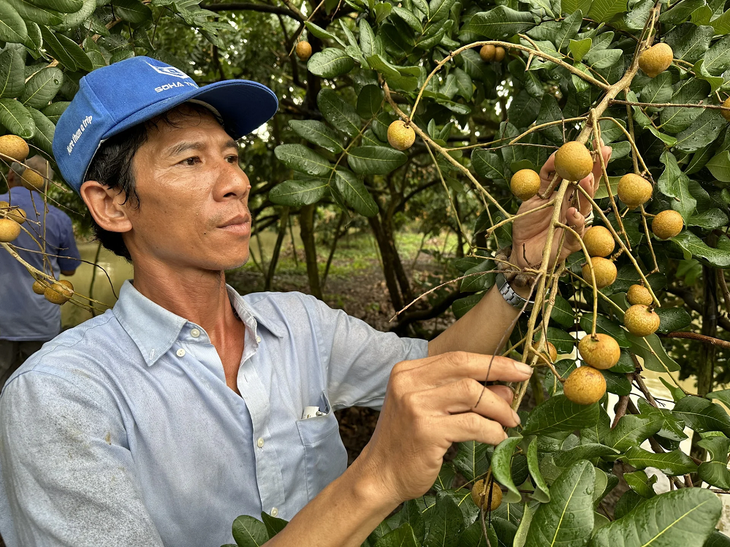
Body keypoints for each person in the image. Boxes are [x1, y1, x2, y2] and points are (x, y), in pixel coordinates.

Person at [0, 57, 610, 547]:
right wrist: (376, 477)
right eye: (190, 159)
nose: (236, 180)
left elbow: (434, 362)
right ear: (112, 205)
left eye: (232, 156)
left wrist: (522, 273)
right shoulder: (59, 396)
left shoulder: (300, 324)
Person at [0, 157, 81, 387]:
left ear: (11, 176)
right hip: (40, 322)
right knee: (36, 390)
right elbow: (70, 270)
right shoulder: (58, 218)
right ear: (45, 185)